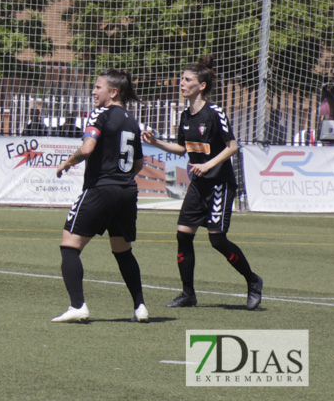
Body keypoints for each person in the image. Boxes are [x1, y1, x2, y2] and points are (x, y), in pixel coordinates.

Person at [141, 57, 262, 310]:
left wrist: (208, 165)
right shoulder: (185, 115)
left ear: (201, 86)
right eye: (182, 79)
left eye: (187, 80)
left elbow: (232, 147)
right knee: (183, 235)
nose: (181, 83)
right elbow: (180, 149)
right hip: (198, 184)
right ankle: (188, 294)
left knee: (217, 240)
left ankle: (253, 281)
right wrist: (155, 143)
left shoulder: (214, 112)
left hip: (219, 184)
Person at [53, 68, 148, 323]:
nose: (93, 91)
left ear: (113, 92)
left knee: (69, 246)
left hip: (100, 190)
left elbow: (87, 148)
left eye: (98, 87)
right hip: (127, 192)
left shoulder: (100, 114)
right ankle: (140, 307)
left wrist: (66, 164)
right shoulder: (131, 119)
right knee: (122, 250)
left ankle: (77, 306)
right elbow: (139, 163)